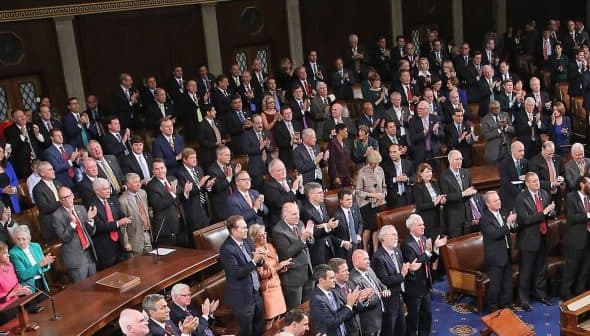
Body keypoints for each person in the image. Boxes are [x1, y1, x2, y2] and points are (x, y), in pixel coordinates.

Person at [515, 172, 556, 311]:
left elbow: (550, 213)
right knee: (526, 272)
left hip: (543, 237)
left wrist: (551, 212)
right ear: (527, 183)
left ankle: (541, 294)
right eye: (533, 181)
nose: (537, 183)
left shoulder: (544, 194)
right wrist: (544, 213)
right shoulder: (521, 198)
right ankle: (523, 300)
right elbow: (525, 220)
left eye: (537, 180)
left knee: (541, 269)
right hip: (528, 240)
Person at [401, 214, 447, 336]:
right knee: (413, 320)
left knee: (426, 317)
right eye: (419, 225)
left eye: (423, 224)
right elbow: (415, 265)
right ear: (411, 228)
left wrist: (435, 249)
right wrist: (427, 252)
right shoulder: (406, 244)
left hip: (425, 285)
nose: (423, 227)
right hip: (414, 288)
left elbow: (429, 261)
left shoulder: (423, 239)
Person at [219, 215, 265, 336]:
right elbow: (236, 273)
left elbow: (255, 260)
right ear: (234, 230)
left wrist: (260, 259)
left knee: (259, 328)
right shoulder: (227, 249)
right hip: (243, 298)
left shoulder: (247, 241)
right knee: (246, 331)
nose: (246, 230)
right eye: (243, 228)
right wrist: (255, 261)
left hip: (256, 292)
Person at [479, 191, 517, 312]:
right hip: (495, 257)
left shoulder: (504, 212)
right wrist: (508, 224)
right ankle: (493, 309)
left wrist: (513, 224)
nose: (499, 202)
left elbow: (511, 228)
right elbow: (495, 234)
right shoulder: (485, 219)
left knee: (507, 283)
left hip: (506, 253)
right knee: (495, 286)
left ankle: (505, 306)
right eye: (495, 201)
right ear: (488, 204)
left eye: (499, 199)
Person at [273, 202, 314, 310]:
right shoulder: (278, 231)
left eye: (298, 214)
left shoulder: (300, 223)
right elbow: (287, 252)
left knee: (308, 308)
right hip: (293, 277)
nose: (298, 217)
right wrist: (303, 239)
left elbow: (309, 243)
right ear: (285, 216)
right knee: (296, 311)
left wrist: (310, 236)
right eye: (294, 214)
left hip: (308, 273)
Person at [371, 225, 411, 335]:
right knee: (389, 330)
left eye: (396, 234)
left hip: (399, 297)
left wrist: (408, 269)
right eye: (393, 234)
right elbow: (385, 281)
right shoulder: (378, 257)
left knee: (401, 329)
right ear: (383, 237)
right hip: (389, 300)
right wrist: (402, 274)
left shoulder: (397, 252)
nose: (396, 237)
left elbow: (401, 270)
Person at [52, 186, 98, 283]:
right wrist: (72, 224)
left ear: (73, 196)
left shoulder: (81, 208)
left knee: (95, 285)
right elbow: (64, 238)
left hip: (89, 253)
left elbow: (91, 232)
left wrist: (89, 220)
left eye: (68, 196)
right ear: (60, 200)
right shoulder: (57, 216)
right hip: (76, 259)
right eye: (63, 198)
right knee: (84, 290)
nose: (67, 200)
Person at [249, 224, 290, 328]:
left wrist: (281, 268)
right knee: (270, 320)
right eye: (261, 236)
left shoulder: (270, 247)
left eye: (265, 234)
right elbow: (260, 275)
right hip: (267, 289)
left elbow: (276, 265)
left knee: (279, 317)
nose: (264, 236)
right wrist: (277, 267)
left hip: (277, 285)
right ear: (254, 238)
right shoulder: (254, 252)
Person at [309, 263, 361, 336]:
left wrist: (355, 301)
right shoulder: (317, 300)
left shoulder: (332, 292)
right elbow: (332, 322)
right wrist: (349, 305)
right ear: (321, 280)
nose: (335, 280)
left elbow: (342, 312)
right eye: (331, 278)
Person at [348, 249, 390, 336]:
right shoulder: (352, 279)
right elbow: (362, 303)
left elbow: (379, 283)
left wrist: (385, 289)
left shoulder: (369, 269)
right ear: (355, 262)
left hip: (380, 316)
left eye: (368, 258)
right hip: (369, 323)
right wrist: (379, 295)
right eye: (365, 259)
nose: (368, 261)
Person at [561, 176, 590, 299]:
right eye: (589, 183)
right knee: (571, 267)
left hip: (588, 237)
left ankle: (580, 291)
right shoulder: (571, 197)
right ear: (582, 184)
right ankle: (566, 293)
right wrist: (588, 215)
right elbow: (571, 218)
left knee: (586, 266)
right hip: (576, 239)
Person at [146, 159, 185, 247]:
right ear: (153, 171)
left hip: (180, 221)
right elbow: (158, 205)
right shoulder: (151, 186)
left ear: (166, 168)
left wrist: (186, 192)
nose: (160, 171)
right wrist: (171, 193)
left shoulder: (172, 179)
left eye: (162, 168)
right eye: (157, 169)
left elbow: (180, 195)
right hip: (167, 226)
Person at [440, 150, 478, 238]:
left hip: (467, 215)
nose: (459, 161)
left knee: (468, 240)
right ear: (450, 160)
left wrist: (471, 192)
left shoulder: (465, 172)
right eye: (457, 159)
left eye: (461, 159)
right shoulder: (444, 176)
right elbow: (447, 196)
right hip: (454, 217)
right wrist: (463, 194)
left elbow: (470, 189)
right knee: (456, 242)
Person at [9, 225, 55, 296]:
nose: (21, 242)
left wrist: (46, 263)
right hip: (29, 287)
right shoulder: (13, 253)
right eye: (18, 239)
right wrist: (39, 264)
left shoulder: (36, 246)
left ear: (29, 238)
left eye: (24, 239)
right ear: (15, 239)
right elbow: (23, 275)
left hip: (42, 281)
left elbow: (45, 267)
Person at [355, 150, 386, 253]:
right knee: (368, 228)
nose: (376, 165)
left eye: (377, 163)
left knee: (377, 228)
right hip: (366, 204)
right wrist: (372, 195)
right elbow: (358, 191)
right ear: (369, 162)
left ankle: (376, 250)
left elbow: (384, 187)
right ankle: (365, 249)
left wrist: (383, 194)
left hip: (379, 203)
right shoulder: (362, 172)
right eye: (374, 164)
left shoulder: (380, 170)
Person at [300, 182, 338, 266]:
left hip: (328, 244)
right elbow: (312, 233)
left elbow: (327, 222)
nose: (323, 195)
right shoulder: (305, 211)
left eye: (322, 192)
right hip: (317, 250)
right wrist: (326, 226)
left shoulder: (322, 205)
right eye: (319, 193)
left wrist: (328, 225)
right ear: (311, 195)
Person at [176, 148, 212, 231]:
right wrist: (199, 185)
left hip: (205, 208)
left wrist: (208, 186)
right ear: (184, 160)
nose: (194, 159)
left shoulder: (199, 169)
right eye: (191, 158)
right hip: (193, 211)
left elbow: (203, 188)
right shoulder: (180, 174)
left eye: (195, 157)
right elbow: (185, 194)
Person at [119, 173, 153, 257]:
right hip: (134, 239)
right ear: (128, 184)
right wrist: (126, 243)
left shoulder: (143, 193)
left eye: (139, 181)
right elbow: (123, 225)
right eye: (135, 182)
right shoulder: (122, 200)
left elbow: (146, 211)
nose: (138, 184)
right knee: (139, 266)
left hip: (147, 234)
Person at [0, 241, 33, 325]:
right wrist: (14, 293)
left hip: (17, 303)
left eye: (7, 252)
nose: (8, 255)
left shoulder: (9, 265)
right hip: (4, 309)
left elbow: (15, 283)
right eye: (5, 253)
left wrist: (22, 289)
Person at [263, 159, 302, 229]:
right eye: (279, 171)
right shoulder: (268, 185)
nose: (283, 172)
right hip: (281, 220)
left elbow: (298, 197)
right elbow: (279, 203)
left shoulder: (288, 178)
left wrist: (301, 187)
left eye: (284, 169)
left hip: (297, 215)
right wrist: (293, 190)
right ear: (272, 174)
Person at [529, 141, 565, 215]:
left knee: (557, 216)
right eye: (549, 154)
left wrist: (562, 178)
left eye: (552, 153)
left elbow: (563, 172)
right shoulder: (534, 161)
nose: (551, 156)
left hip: (557, 193)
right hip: (544, 194)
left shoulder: (558, 158)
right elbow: (536, 181)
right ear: (542, 149)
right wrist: (551, 184)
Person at [413, 163, 446, 240]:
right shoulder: (417, 186)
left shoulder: (435, 183)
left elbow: (439, 197)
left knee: (438, 240)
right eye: (427, 172)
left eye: (430, 171)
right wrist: (434, 203)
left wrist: (442, 201)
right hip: (426, 219)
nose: (429, 173)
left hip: (437, 217)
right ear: (420, 174)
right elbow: (419, 206)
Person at [207, 145, 240, 222]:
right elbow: (217, 188)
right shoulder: (212, 170)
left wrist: (236, 174)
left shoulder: (230, 165)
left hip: (234, 202)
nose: (229, 157)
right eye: (226, 155)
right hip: (222, 206)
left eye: (229, 155)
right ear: (219, 156)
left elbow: (233, 183)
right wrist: (228, 178)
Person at [332, 188, 363, 261]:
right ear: (341, 201)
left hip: (357, 244)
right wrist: (342, 243)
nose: (350, 202)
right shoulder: (336, 215)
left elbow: (360, 223)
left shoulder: (355, 207)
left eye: (351, 199)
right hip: (344, 250)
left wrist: (358, 234)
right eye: (348, 200)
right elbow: (331, 236)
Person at [381, 143, 414, 209]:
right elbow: (384, 182)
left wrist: (407, 179)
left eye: (394, 152)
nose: (392, 154)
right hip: (394, 199)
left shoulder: (409, 163)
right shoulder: (385, 166)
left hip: (408, 197)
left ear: (400, 152)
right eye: (390, 152)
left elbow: (414, 178)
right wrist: (395, 179)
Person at [499, 141, 528, 211]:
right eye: (520, 151)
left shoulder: (525, 162)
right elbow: (506, 183)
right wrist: (520, 192)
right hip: (509, 195)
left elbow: (528, 177)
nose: (522, 153)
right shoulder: (504, 163)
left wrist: (526, 177)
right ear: (512, 151)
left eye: (523, 151)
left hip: (522, 192)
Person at [327, 123, 352, 188]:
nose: (347, 133)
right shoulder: (332, 143)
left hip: (346, 175)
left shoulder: (345, 142)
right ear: (340, 131)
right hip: (338, 176)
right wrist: (335, 176)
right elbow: (332, 161)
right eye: (346, 131)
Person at [0, 144, 20, 214]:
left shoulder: (7, 164)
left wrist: (12, 187)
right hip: (1, 200)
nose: (1, 154)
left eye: (2, 152)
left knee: (17, 219)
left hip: (11, 196)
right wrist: (2, 190)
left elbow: (15, 179)